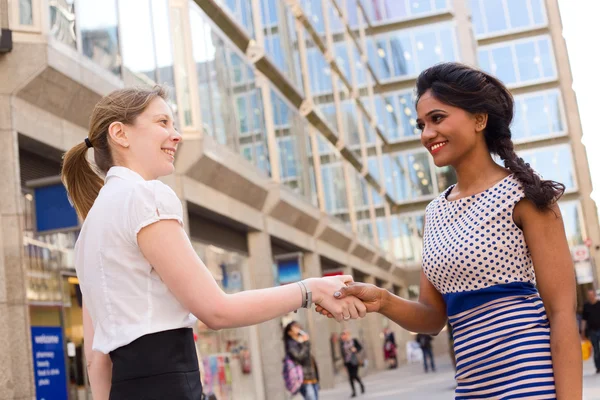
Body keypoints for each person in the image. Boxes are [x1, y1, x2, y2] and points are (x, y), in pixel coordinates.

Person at [61, 86, 368, 399]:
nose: (176, 134)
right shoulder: (145, 196)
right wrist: (310, 290)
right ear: (120, 134)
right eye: (162, 122)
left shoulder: (90, 229)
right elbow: (217, 311)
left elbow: (97, 359)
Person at [317, 62, 582, 399]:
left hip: (529, 383)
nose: (427, 134)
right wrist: (381, 300)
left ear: (479, 119)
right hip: (471, 389)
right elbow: (432, 318)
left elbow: (561, 315)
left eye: (437, 119)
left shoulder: (526, 197)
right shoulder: (435, 212)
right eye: (421, 124)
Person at [284, 322, 319, 400]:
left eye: (298, 326)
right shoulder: (291, 344)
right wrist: (305, 343)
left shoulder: (301, 340)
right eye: (294, 327)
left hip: (312, 374)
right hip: (303, 376)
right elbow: (299, 357)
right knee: (311, 397)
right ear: (289, 332)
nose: (298, 328)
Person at [339, 330, 365, 398]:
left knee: (355, 375)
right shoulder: (342, 343)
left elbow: (360, 347)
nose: (343, 337)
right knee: (350, 377)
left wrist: (355, 349)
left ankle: (361, 385)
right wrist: (344, 365)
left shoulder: (354, 340)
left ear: (347, 335)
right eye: (342, 336)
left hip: (355, 361)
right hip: (348, 362)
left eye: (344, 335)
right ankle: (354, 392)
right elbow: (343, 354)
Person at [581, 288, 600, 372]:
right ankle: (598, 367)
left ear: (594, 295)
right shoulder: (586, 306)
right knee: (596, 349)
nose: (591, 297)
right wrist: (583, 331)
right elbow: (584, 320)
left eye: (592, 295)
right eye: (589, 295)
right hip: (592, 330)